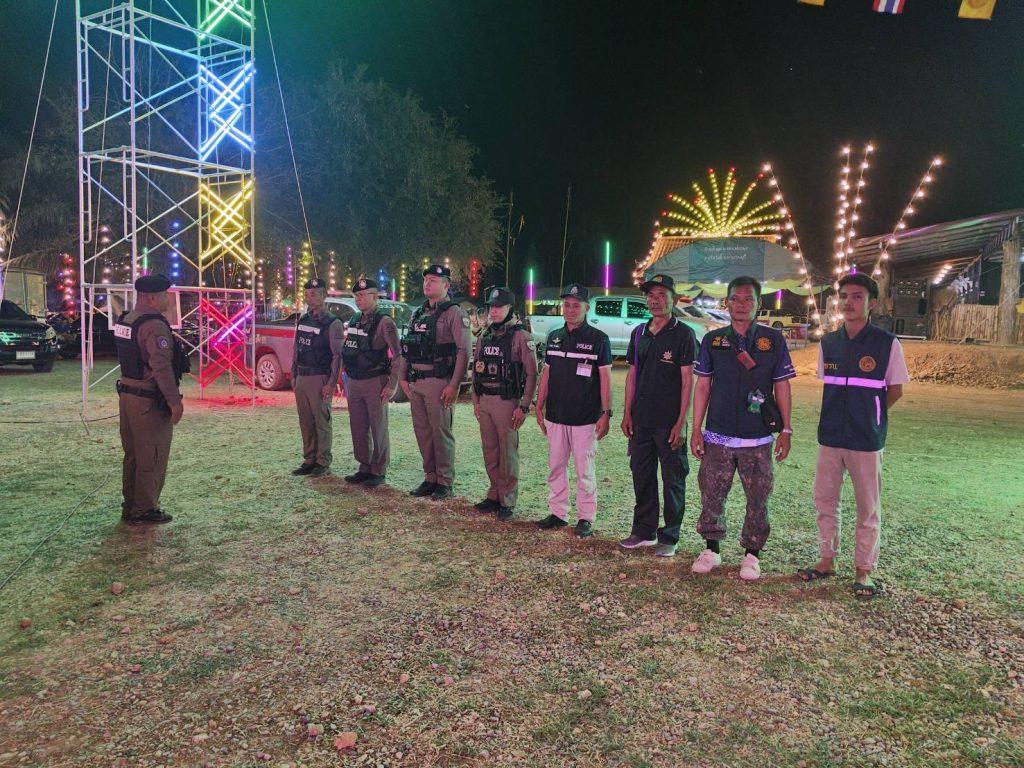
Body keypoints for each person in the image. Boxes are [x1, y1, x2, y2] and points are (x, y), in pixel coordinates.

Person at [799, 273, 908, 598]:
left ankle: (864, 571)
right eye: (844, 296)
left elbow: (895, 390)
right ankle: (826, 560)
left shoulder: (886, 343)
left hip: (866, 440)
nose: (848, 302)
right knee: (825, 501)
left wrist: (871, 416)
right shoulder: (829, 343)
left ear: (871, 303)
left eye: (857, 296)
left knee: (868, 507)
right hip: (830, 437)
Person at [689, 276, 795, 581]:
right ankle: (712, 549)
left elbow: (782, 385)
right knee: (712, 494)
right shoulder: (713, 340)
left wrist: (786, 430)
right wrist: (696, 429)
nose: (741, 304)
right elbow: (703, 386)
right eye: (735, 298)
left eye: (749, 299)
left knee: (758, 498)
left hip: (757, 436)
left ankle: (752, 554)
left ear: (759, 304)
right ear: (726, 303)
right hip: (718, 434)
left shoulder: (772, 341)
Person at [618, 274, 696, 557]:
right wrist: (627, 413)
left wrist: (681, 422)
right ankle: (643, 531)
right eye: (651, 295)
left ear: (673, 299)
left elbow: (687, 381)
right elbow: (632, 375)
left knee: (673, 479)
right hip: (641, 421)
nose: (656, 300)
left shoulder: (683, 334)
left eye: (662, 295)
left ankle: (670, 536)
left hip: (668, 422)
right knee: (642, 475)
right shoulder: (639, 332)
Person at [535, 283, 612, 538]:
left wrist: (606, 413)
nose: (570, 309)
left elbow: (605, 379)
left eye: (576, 305)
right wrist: (539, 404)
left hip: (585, 418)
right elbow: (547, 373)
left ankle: (585, 517)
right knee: (556, 466)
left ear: (587, 308)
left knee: (584, 470)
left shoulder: (599, 339)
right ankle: (558, 513)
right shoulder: (554, 336)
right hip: (556, 415)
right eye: (566, 305)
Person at [113, 273, 187, 525]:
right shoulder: (154, 326)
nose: (169, 299)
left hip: (128, 394)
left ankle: (131, 504)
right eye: (165, 295)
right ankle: (145, 508)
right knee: (152, 454)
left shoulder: (128, 319)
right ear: (153, 298)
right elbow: (161, 367)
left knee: (133, 454)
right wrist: (174, 401)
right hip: (147, 400)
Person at [397, 264, 471, 501]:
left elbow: (464, 352)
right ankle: (430, 477)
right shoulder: (418, 313)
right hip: (417, 381)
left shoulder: (454, 313)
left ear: (446, 285)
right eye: (426, 280)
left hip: (439, 382)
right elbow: (407, 347)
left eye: (434, 281)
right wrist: (402, 376)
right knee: (423, 432)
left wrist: (454, 385)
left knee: (440, 433)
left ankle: (445, 481)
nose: (427, 284)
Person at [471, 286, 538, 520]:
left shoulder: (521, 337)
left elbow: (532, 374)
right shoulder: (485, 336)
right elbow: (476, 369)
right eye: (491, 306)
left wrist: (524, 405)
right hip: (486, 400)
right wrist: (476, 400)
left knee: (507, 452)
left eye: (499, 307)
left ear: (510, 308)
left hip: (507, 402)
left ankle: (507, 499)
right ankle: (494, 494)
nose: (494, 311)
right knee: (490, 450)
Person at [341, 277, 401, 488]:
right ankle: (364, 466)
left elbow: (398, 355)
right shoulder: (355, 319)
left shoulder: (385, 322)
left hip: (375, 381)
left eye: (363, 295)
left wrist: (392, 384)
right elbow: (349, 348)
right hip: (354, 380)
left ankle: (379, 470)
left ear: (375, 297)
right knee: (358, 426)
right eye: (356, 295)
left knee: (378, 427)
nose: (358, 299)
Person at [291, 277, 344, 477]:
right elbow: (296, 349)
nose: (309, 297)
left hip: (319, 377)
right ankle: (309, 459)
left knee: (321, 421)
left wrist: (331, 383)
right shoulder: (304, 320)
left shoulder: (332, 323)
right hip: (302, 376)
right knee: (305, 421)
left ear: (324, 296)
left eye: (313, 294)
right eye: (307, 294)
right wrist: (294, 374)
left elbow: (337, 356)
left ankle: (322, 461)